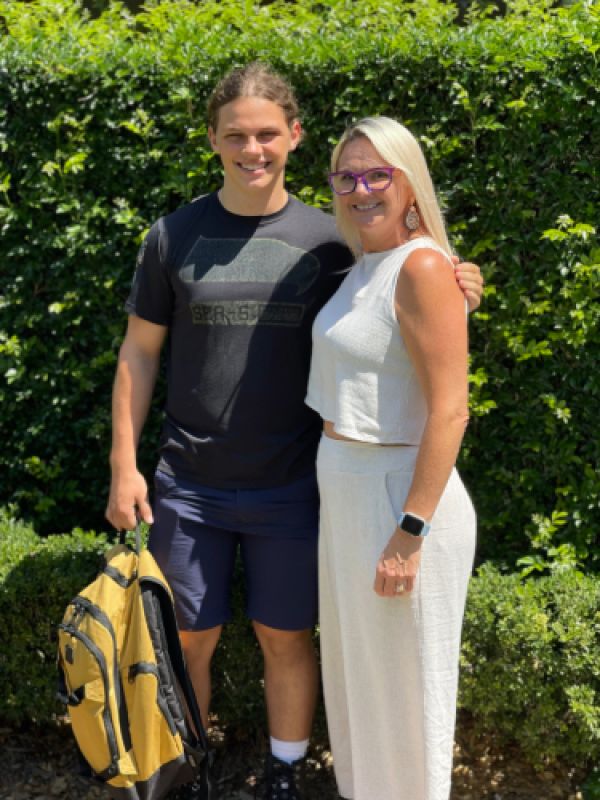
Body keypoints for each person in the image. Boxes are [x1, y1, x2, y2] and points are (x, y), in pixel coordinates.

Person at [105, 63, 483, 800]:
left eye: (268, 133)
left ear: (295, 137)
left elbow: (405, 284)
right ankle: (187, 775)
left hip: (294, 482)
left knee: (288, 638)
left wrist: (457, 279)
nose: (254, 148)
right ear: (213, 140)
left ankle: (285, 773)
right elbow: (138, 352)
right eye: (237, 135)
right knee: (187, 642)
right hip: (189, 482)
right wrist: (126, 464)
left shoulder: (332, 241)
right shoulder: (172, 236)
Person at [305, 116, 477, 800]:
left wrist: (410, 531)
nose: (361, 188)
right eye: (346, 176)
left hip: (398, 498)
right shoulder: (363, 268)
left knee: (409, 693)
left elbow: (450, 409)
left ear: (410, 184)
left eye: (378, 173)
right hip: (348, 491)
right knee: (361, 687)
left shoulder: (424, 265)